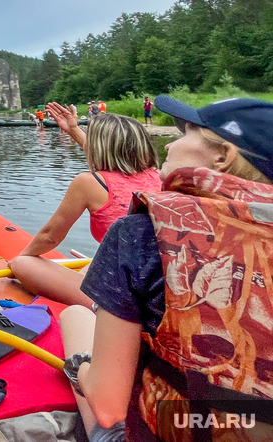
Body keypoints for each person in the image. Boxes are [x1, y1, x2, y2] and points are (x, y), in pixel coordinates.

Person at [60, 96, 273, 442]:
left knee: (74, 317)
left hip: (171, 432)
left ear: (222, 155)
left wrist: (79, 366)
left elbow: (108, 407)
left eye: (188, 130)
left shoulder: (139, 235)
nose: (171, 142)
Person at [9, 102, 161, 307]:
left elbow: (50, 236)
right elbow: (108, 158)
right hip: (156, 283)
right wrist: (73, 129)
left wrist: (18, 260)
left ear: (98, 147)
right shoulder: (159, 176)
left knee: (23, 264)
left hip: (123, 297)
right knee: (96, 261)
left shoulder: (88, 182)